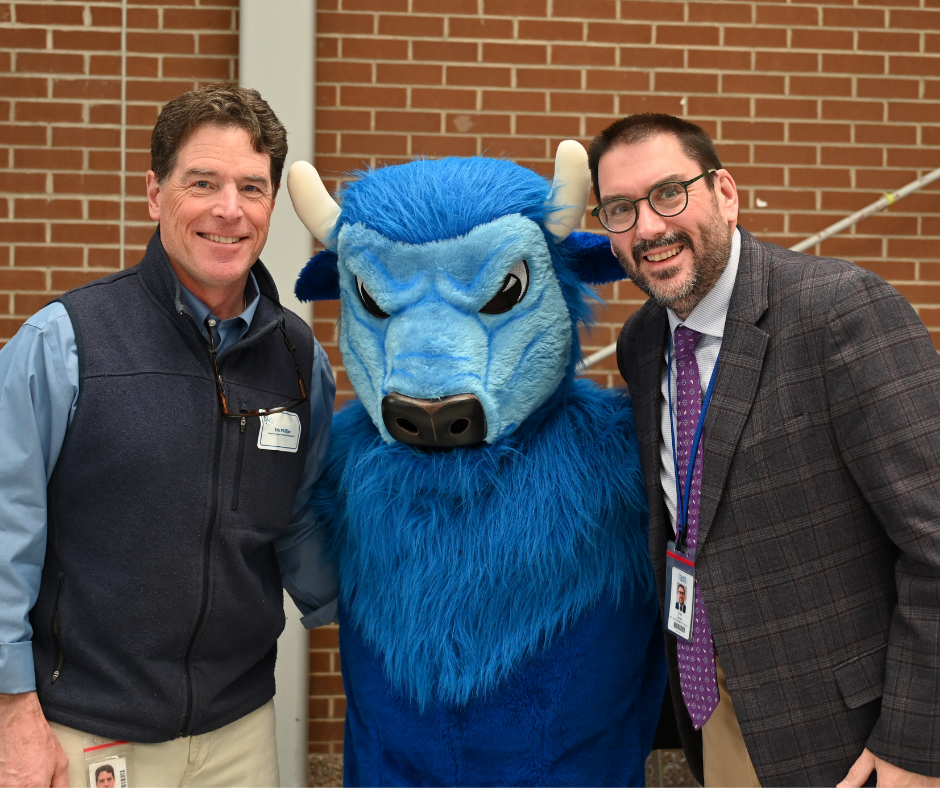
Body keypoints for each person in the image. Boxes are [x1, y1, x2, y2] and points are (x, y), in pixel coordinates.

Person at [0, 83, 336, 788]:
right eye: (203, 183)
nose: (229, 209)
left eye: (252, 187)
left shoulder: (300, 360)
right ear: (155, 194)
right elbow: (6, 535)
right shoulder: (64, 343)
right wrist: (13, 713)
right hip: (84, 732)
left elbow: (303, 524)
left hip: (240, 733)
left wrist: (382, 616)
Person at [590, 113, 940, 787]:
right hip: (718, 713)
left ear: (725, 192)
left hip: (853, 736)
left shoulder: (837, 311)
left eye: (670, 193)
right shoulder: (644, 343)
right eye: (621, 210)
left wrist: (914, 745)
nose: (649, 229)